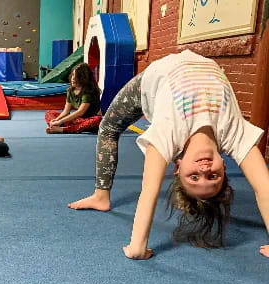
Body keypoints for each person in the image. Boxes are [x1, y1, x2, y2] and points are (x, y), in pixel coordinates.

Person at [68, 50, 269, 259]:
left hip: (153, 81)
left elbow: (149, 190)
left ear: (178, 168)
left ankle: (101, 196)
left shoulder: (167, 134)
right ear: (224, 167)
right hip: (204, 63)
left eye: (194, 177)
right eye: (213, 176)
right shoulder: (234, 133)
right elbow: (264, 188)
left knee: (108, 127)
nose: (204, 170)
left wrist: (137, 247)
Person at [45, 62, 102, 134]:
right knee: (49, 113)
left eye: (77, 76)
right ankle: (63, 126)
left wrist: (60, 121)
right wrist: (56, 120)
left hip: (88, 120)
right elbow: (66, 111)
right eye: (72, 75)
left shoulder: (88, 91)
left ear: (84, 78)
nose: (73, 78)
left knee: (98, 120)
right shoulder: (70, 90)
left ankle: (63, 129)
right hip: (77, 120)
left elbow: (80, 112)